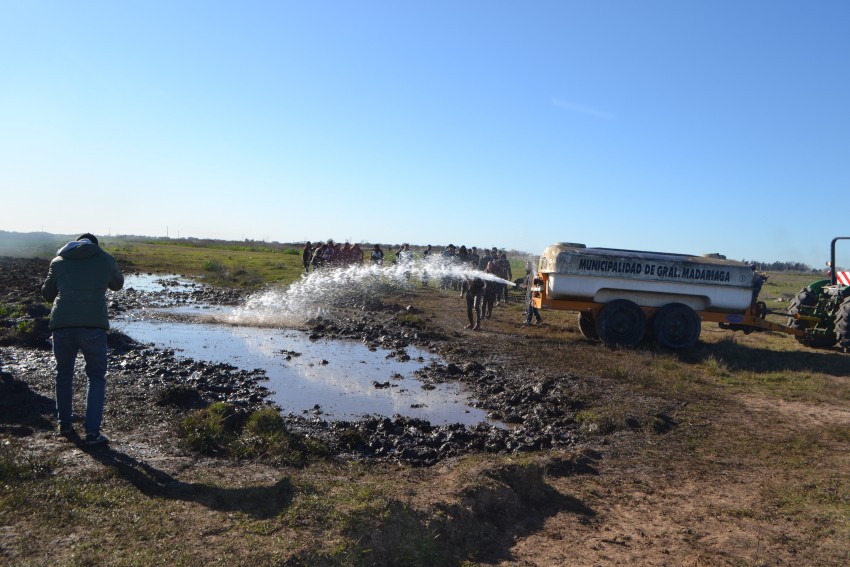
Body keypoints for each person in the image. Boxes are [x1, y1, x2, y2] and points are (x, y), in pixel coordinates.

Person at [41, 233, 124, 445]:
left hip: (62, 325)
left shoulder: (58, 261)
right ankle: (92, 433)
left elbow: (47, 294)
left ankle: (65, 425)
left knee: (63, 374)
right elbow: (117, 284)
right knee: (96, 377)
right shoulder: (105, 258)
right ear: (94, 246)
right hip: (93, 326)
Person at [523, 261, 543, 325]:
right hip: (529, 291)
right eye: (527, 265)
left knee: (530, 306)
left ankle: (528, 320)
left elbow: (536, 282)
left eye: (529, 265)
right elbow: (527, 282)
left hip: (533, 292)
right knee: (533, 307)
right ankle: (538, 319)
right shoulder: (528, 273)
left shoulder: (533, 273)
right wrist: (525, 286)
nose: (527, 266)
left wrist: (530, 287)